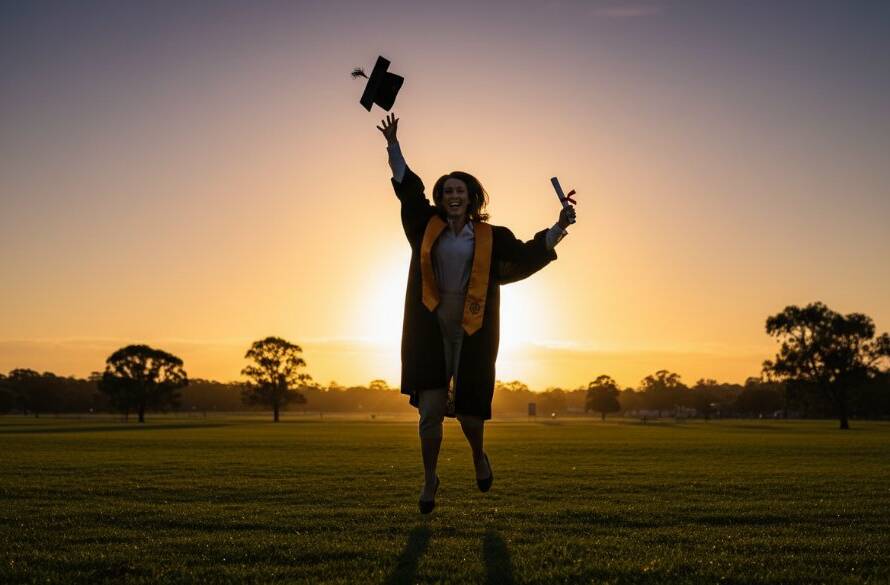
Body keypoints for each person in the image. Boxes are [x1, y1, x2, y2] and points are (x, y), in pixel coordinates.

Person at [377, 113, 576, 514]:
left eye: (460, 190)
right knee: (430, 412)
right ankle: (430, 479)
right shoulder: (425, 226)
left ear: (471, 198)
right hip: (429, 330)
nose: (453, 195)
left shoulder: (489, 237)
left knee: (469, 416)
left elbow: (524, 253)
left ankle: (478, 456)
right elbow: (407, 191)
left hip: (473, 331)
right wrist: (393, 146)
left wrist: (558, 227)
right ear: (441, 196)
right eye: (447, 190)